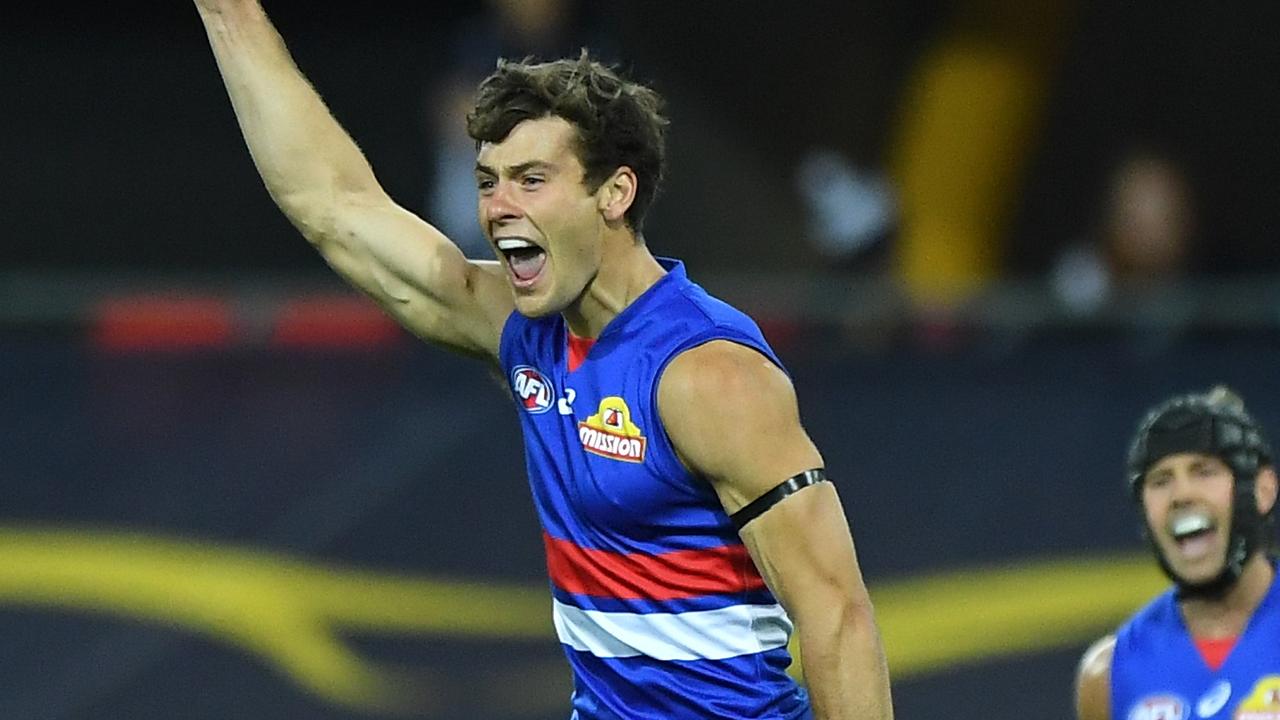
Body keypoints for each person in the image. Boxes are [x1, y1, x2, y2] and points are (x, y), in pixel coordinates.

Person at [193, 2, 893, 718]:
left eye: (532, 180)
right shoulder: (525, 329)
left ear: (614, 193)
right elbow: (331, 202)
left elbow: (836, 615)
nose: (498, 206)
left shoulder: (708, 374)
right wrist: (229, 13)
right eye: (488, 180)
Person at [1075, 386, 1280, 720]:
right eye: (1160, 481)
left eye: (1204, 471)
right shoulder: (1107, 675)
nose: (1181, 494)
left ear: (1263, 490)